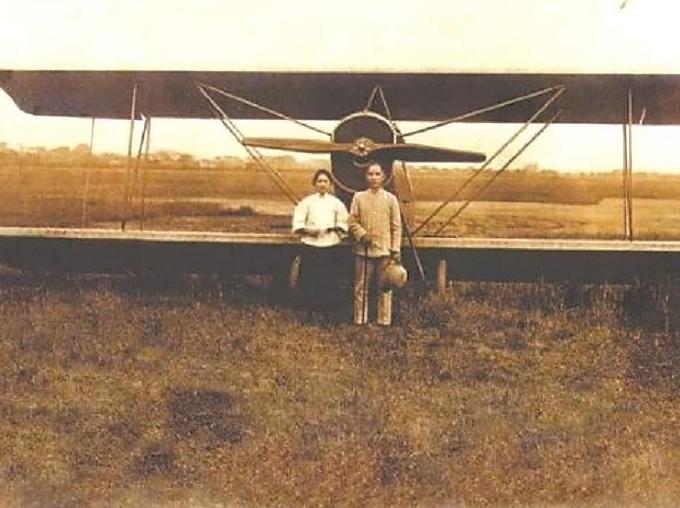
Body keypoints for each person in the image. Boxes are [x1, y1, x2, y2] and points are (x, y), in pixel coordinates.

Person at [349, 161, 402, 325]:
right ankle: (360, 319)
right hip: (363, 250)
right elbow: (352, 222)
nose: (374, 178)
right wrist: (362, 234)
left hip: (384, 251)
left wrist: (395, 249)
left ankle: (384, 320)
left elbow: (396, 226)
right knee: (361, 286)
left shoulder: (391, 199)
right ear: (366, 177)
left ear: (384, 177)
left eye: (377, 174)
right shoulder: (359, 197)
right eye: (370, 174)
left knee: (384, 286)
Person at [292, 169, 349, 310]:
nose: (322, 184)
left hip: (330, 245)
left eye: (325, 181)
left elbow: (344, 223)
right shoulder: (306, 202)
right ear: (314, 184)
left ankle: (327, 309)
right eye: (319, 181)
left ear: (330, 184)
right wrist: (309, 231)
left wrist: (333, 229)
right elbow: (298, 223)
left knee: (328, 278)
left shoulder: (337, 203)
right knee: (309, 278)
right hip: (310, 245)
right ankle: (309, 309)